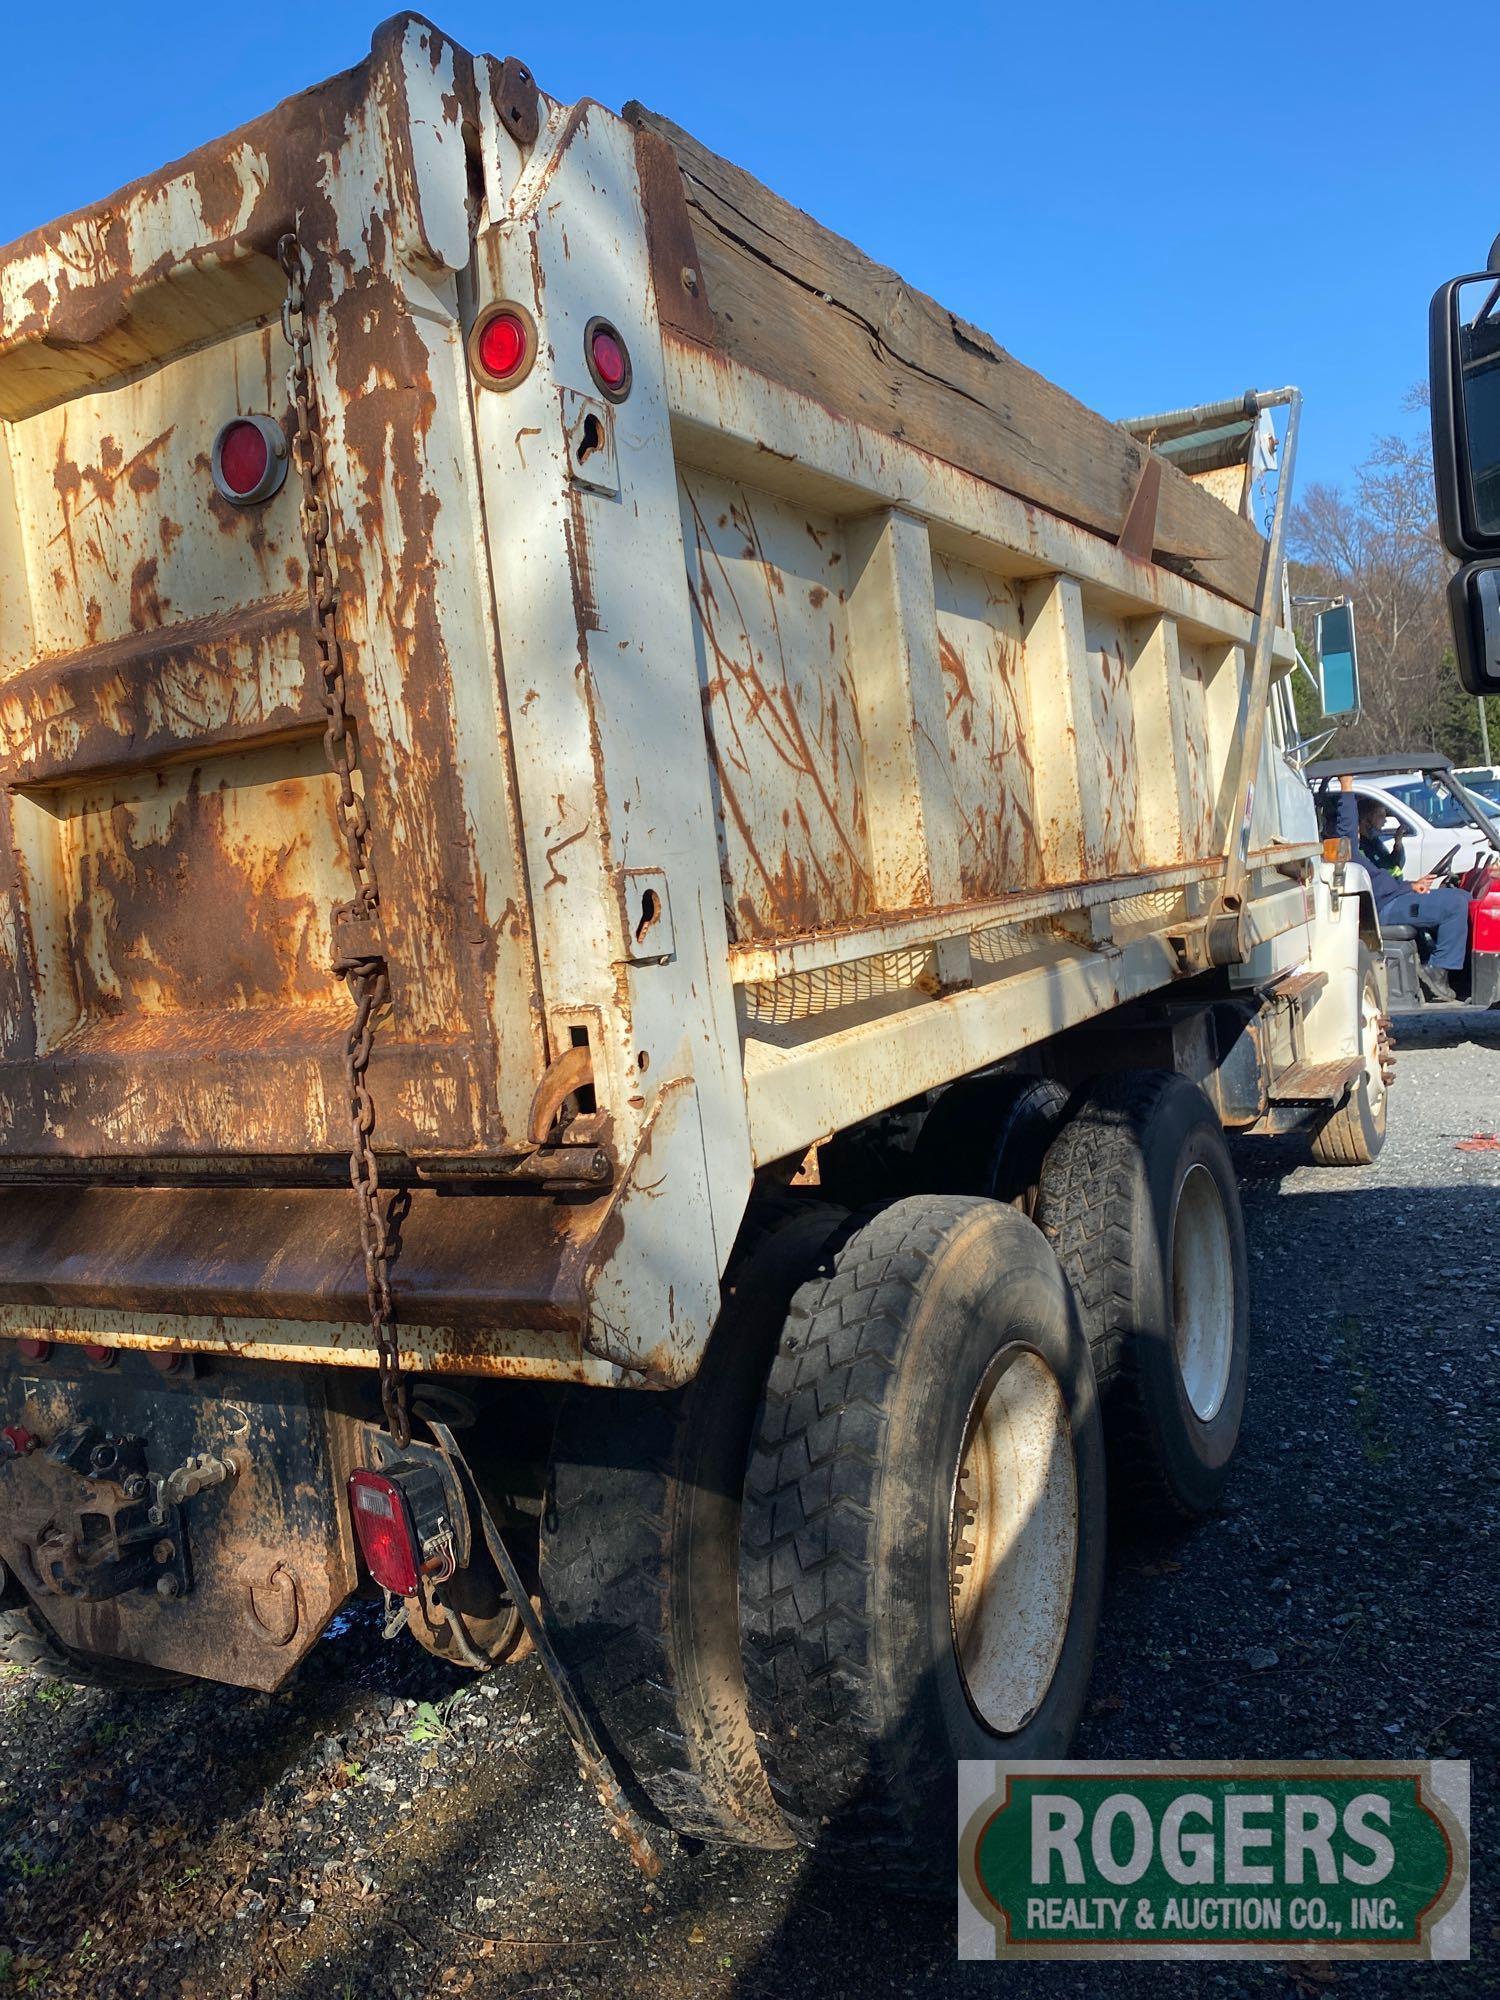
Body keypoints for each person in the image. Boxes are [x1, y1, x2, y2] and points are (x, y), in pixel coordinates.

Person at [1334, 776, 1470, 1001]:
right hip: (1385, 906)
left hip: (1396, 896)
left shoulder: (1369, 846)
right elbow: (1346, 830)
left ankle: (1458, 972)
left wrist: (1412, 885)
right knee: (1454, 904)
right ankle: (1437, 971)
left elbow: (1389, 875)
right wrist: (1346, 787)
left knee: (1463, 896)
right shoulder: (1350, 851)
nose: (1384, 819)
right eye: (1379, 815)